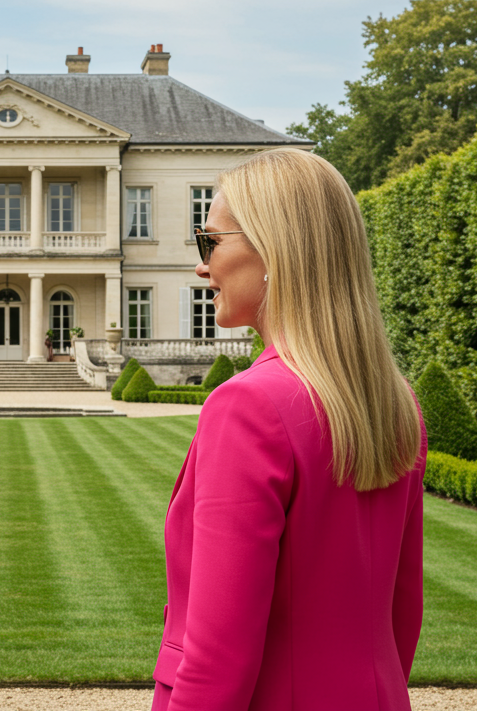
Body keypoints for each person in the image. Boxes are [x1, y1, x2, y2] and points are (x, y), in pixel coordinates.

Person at [152, 148, 426, 711]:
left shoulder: (248, 405)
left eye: (210, 243)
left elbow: (218, 654)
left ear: (274, 251)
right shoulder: (396, 402)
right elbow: (402, 611)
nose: (201, 266)